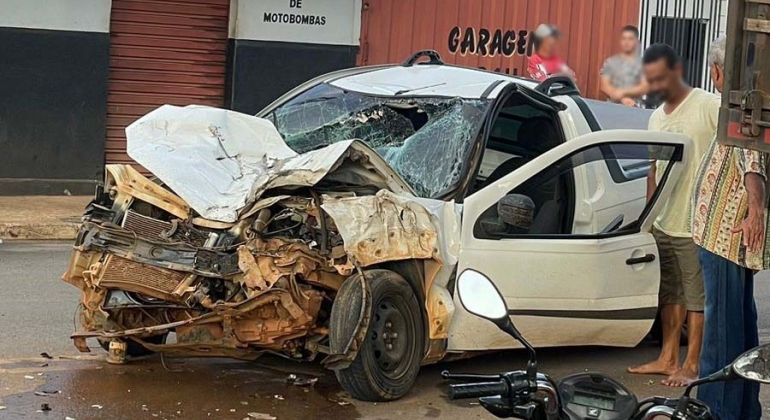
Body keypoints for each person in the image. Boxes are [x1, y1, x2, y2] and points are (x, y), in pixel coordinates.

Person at [627, 44, 719, 387]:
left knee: (696, 298)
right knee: (671, 294)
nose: (656, 85)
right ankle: (668, 357)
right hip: (665, 221)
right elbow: (653, 170)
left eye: (660, 77)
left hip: (696, 224)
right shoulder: (656, 117)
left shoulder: (708, 105)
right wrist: (649, 219)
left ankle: (692, 364)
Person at [691, 36, 765, 420]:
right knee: (739, 329)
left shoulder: (741, 107)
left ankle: (717, 413)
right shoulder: (742, 105)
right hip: (728, 238)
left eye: (712, 70)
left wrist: (755, 211)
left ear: (719, 70)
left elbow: (753, 162)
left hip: (726, 237)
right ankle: (744, 411)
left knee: (722, 334)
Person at [599, 25, 648, 107]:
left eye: (630, 39)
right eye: (624, 39)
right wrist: (622, 98)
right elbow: (604, 86)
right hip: (613, 109)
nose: (626, 42)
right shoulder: (611, 63)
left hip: (635, 109)